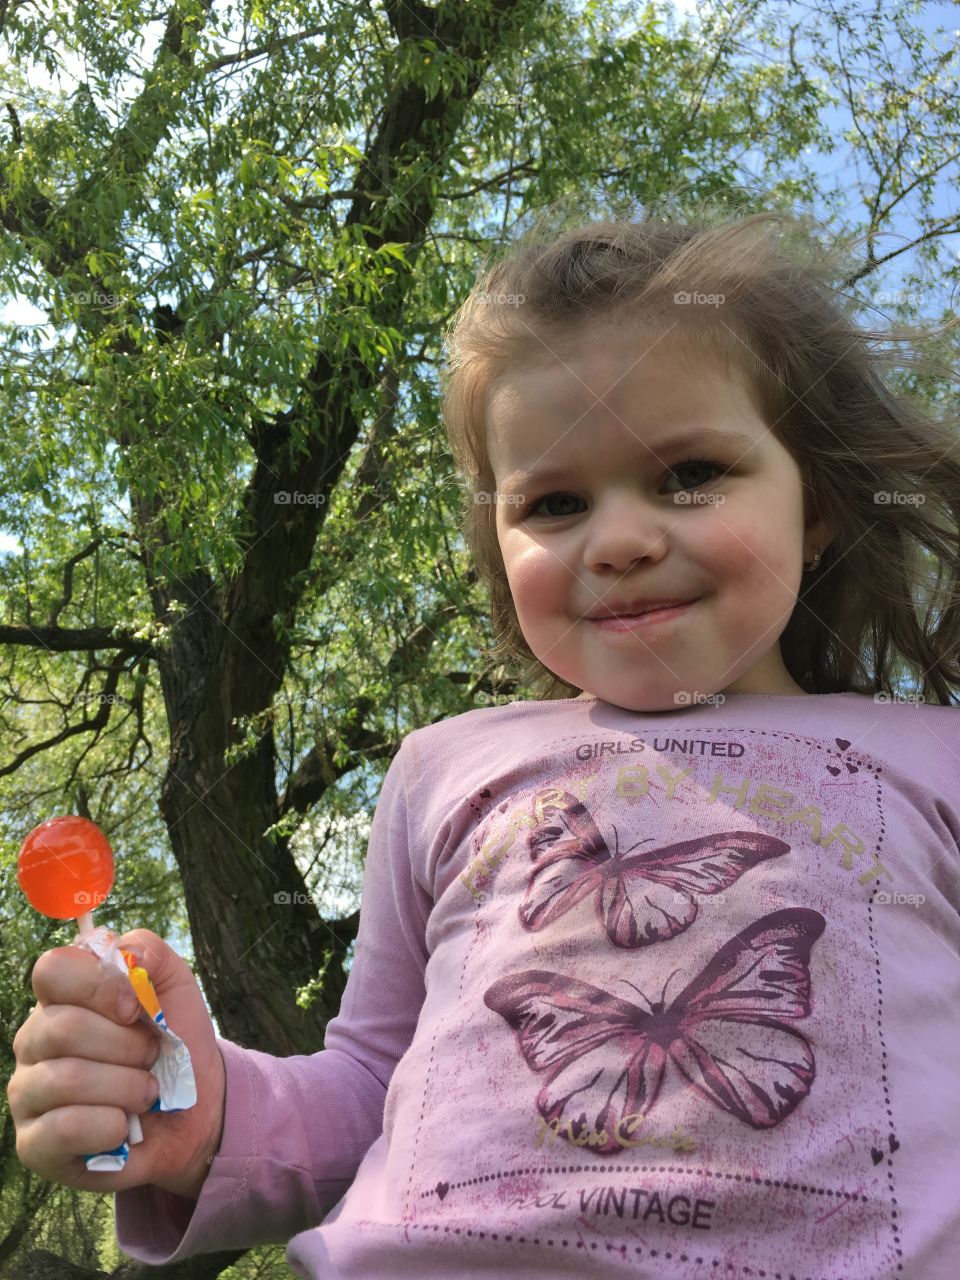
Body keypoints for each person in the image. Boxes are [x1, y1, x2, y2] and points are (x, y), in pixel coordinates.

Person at [8, 208, 960, 1279]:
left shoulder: (934, 757)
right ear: (497, 542)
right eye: (554, 500)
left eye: (690, 473)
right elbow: (373, 1083)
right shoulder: (443, 765)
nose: (621, 540)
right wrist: (210, 1113)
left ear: (820, 501)